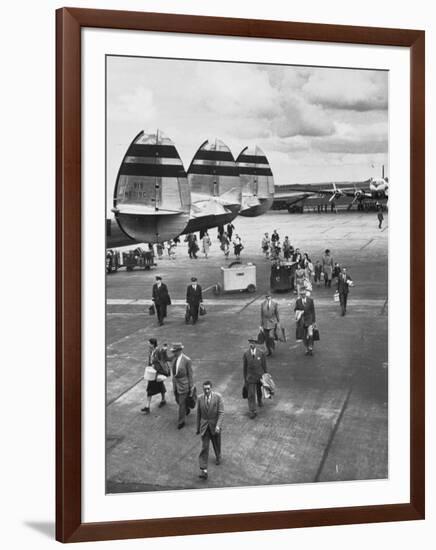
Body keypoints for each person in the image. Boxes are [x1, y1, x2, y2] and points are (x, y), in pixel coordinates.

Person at [196, 380, 224, 480]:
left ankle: (218, 455)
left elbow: (221, 413)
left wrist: (218, 425)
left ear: (211, 388)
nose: (206, 390)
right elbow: (198, 414)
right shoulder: (199, 398)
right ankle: (204, 470)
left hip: (215, 425)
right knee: (205, 447)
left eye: (208, 388)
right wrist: (198, 428)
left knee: (217, 444)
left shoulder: (218, 397)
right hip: (205, 427)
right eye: (205, 389)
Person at [141, 339, 169, 413]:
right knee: (159, 385)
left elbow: (162, 360)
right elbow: (150, 361)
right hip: (152, 372)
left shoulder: (158, 351)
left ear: (153, 344)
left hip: (157, 372)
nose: (148, 345)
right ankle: (162, 400)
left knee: (151, 388)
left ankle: (148, 406)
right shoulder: (151, 351)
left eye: (149, 344)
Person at [170, 343, 194, 429]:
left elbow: (190, 374)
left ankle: (181, 421)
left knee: (181, 404)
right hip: (175, 384)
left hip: (184, 385)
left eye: (174, 351)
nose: (173, 352)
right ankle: (186, 409)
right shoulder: (174, 358)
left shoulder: (187, 360)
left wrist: (191, 387)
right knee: (177, 400)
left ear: (180, 350)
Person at [243, 338, 267, 419]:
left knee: (259, 390)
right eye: (250, 343)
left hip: (259, 376)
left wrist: (266, 376)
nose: (251, 344)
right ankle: (252, 411)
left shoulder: (261, 353)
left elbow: (264, 365)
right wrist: (245, 378)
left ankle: (259, 400)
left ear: (255, 344)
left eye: (252, 343)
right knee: (251, 394)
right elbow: (244, 368)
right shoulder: (246, 354)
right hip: (250, 377)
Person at [294, 287, 316, 356]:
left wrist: (314, 321)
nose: (303, 295)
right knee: (304, 336)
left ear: (306, 294)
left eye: (304, 294)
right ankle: (306, 348)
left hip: (309, 319)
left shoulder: (310, 300)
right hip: (302, 321)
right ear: (300, 294)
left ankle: (310, 347)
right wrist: (299, 312)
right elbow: (295, 310)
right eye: (301, 294)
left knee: (311, 334)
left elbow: (313, 311)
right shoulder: (298, 301)